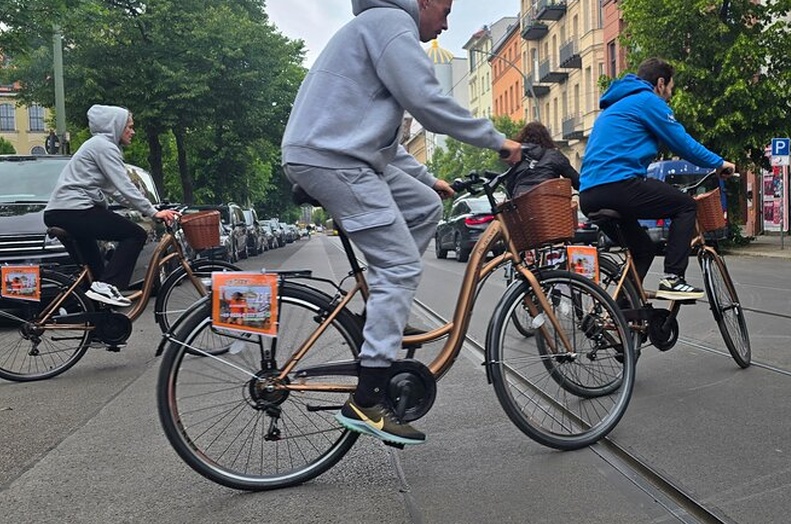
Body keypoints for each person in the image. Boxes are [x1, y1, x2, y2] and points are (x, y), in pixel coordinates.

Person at [281, 0, 521, 446]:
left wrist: (428, 180)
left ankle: (381, 313)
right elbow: (428, 102)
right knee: (399, 267)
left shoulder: (378, 27)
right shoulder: (392, 23)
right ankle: (368, 397)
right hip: (334, 159)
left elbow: (386, 142)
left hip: (340, 152)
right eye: (445, 10)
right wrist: (498, 141)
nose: (447, 23)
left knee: (425, 206)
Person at [579, 57, 736, 300]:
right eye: (670, 89)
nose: (670, 96)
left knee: (643, 250)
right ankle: (673, 278)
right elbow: (682, 143)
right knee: (685, 206)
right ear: (660, 83)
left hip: (589, 195)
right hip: (618, 185)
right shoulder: (647, 101)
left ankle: (620, 314)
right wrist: (719, 163)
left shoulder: (616, 106)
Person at [43, 105, 180, 307]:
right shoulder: (104, 147)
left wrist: (150, 208)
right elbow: (124, 185)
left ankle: (97, 327)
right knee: (135, 234)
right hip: (73, 210)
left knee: (97, 276)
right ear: (115, 126)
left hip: (64, 212)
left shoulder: (98, 146)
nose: (132, 132)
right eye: (129, 127)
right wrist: (153, 212)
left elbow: (116, 192)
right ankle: (110, 286)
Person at [506, 121, 579, 199]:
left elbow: (510, 184)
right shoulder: (554, 155)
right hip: (548, 201)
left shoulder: (518, 155)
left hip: (522, 200)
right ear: (546, 137)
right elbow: (575, 179)